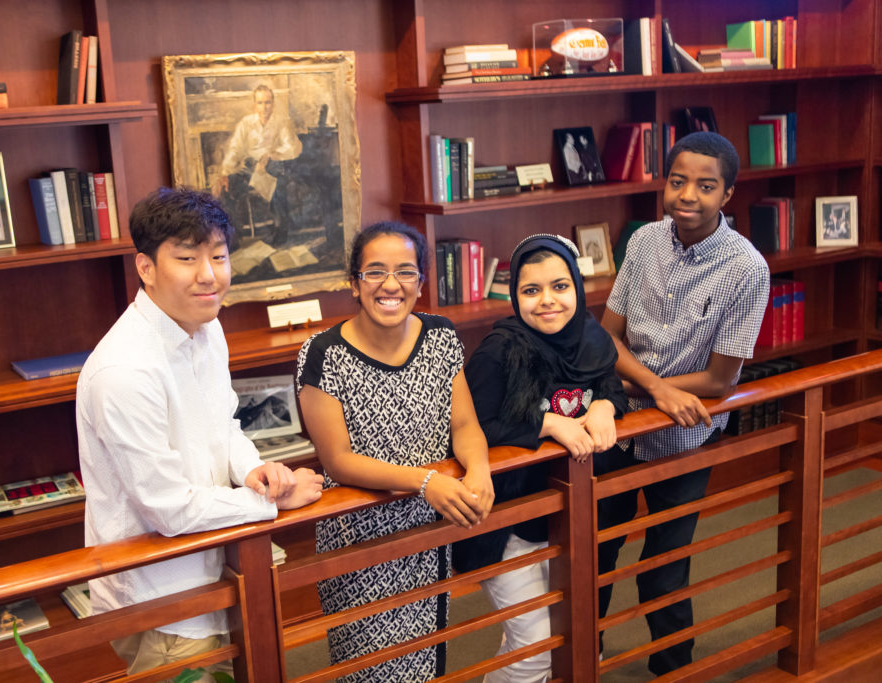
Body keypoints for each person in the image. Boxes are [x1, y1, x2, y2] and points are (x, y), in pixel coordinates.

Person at [76, 187, 324, 680]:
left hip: (217, 561)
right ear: (145, 268)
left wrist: (256, 471)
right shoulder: (124, 370)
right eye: (187, 259)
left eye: (218, 256)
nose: (208, 275)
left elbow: (223, 423)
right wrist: (274, 503)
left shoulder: (206, 327)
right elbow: (165, 507)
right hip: (160, 593)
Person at [598, 131, 770, 674]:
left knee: (664, 567)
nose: (687, 195)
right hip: (620, 424)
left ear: (728, 194)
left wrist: (652, 386)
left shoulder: (748, 268)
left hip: (685, 436)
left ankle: (674, 667)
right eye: (677, 181)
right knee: (596, 553)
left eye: (705, 185)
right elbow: (607, 339)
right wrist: (657, 387)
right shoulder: (645, 239)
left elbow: (720, 381)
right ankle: (583, 656)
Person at [296, 221, 494, 682]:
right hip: (360, 537)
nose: (391, 284)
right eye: (375, 272)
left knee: (427, 658)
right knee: (369, 670)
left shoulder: (441, 336)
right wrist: (425, 481)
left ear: (421, 284)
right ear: (355, 284)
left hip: (429, 527)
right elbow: (337, 460)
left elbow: (464, 424)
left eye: (405, 272)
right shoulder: (322, 354)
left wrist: (479, 469)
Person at [452, 234, 626, 683]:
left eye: (560, 286)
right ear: (515, 296)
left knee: (562, 636)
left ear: (578, 288)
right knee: (534, 650)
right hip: (511, 521)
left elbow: (605, 384)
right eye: (531, 291)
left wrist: (607, 406)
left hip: (571, 514)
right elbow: (470, 425)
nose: (547, 301)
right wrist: (546, 424)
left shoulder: (590, 336)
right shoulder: (499, 351)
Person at [213, 84, 302, 246]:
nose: (264, 107)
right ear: (254, 104)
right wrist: (225, 173)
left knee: (278, 186)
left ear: (273, 103)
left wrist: (270, 155)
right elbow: (235, 148)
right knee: (228, 188)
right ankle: (234, 236)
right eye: (260, 103)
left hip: (271, 167)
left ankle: (281, 232)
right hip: (248, 169)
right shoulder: (246, 123)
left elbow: (291, 147)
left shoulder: (282, 122)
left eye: (267, 102)